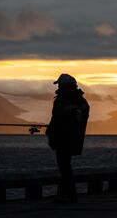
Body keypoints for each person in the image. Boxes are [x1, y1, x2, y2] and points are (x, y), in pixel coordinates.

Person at [46, 74, 90, 202]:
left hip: (62, 139)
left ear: (63, 84)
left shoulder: (61, 99)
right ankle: (66, 195)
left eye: (59, 83)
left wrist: (50, 133)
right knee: (66, 166)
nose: (58, 86)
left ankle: (70, 196)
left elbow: (57, 120)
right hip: (74, 138)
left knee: (64, 167)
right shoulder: (81, 100)